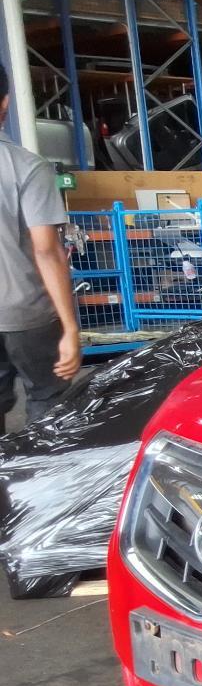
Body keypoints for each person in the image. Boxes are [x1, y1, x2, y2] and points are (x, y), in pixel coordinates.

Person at [0, 63, 79, 430]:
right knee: (49, 404)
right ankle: (46, 483)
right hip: (25, 314)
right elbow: (46, 250)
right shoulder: (27, 167)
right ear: (5, 103)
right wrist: (70, 328)